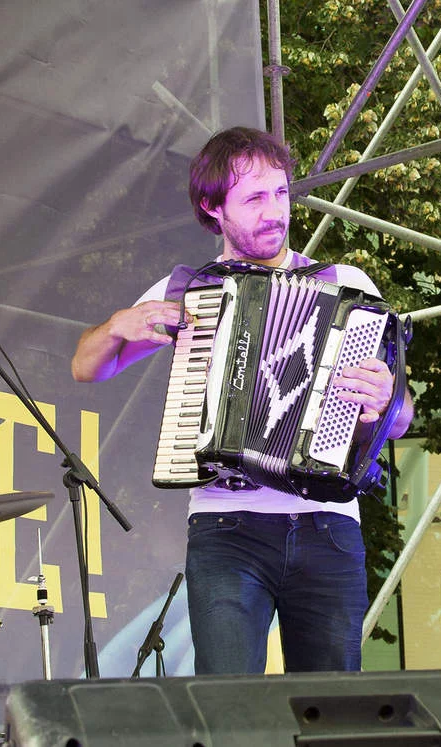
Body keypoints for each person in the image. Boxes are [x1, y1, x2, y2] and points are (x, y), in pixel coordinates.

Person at [72, 126, 414, 675]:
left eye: (280, 193)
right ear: (213, 208)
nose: (275, 212)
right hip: (227, 527)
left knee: (333, 705)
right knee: (229, 704)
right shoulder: (189, 289)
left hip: (328, 526)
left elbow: (399, 419)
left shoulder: (346, 285)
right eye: (254, 198)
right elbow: (86, 367)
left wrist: (389, 400)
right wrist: (117, 325)